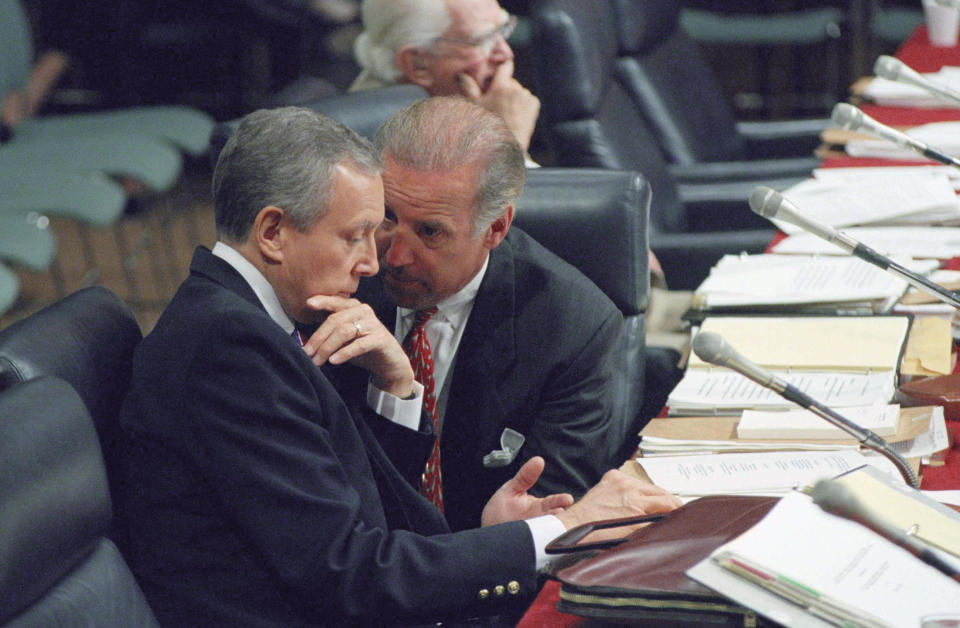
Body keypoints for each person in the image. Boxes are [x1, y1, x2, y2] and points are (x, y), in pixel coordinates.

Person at [115, 105, 681, 627]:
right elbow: (350, 573)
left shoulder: (256, 319)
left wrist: (398, 388)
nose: (375, 262)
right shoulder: (232, 346)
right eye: (361, 233)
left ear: (496, 228)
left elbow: (355, 514)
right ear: (272, 233)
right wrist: (559, 528)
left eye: (421, 231)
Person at [341, 96, 622, 532]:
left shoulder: (572, 326)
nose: (393, 256)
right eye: (388, 217)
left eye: (430, 232)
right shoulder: (339, 279)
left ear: (494, 229)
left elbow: (548, 508)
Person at [350, 0, 539, 157]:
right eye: (483, 40)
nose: (506, 53)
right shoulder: (400, 148)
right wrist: (507, 141)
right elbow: (511, 202)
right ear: (418, 64)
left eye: (503, 29)